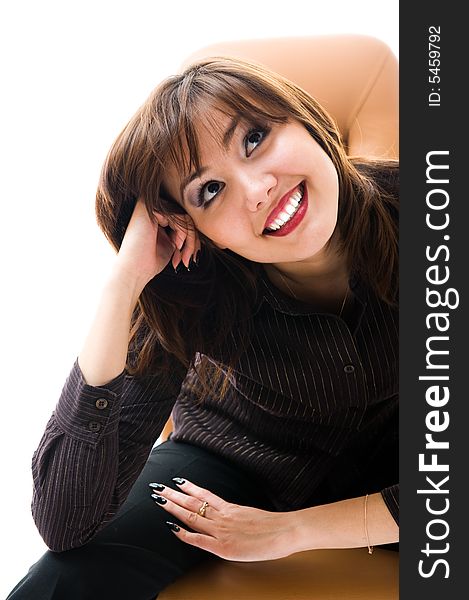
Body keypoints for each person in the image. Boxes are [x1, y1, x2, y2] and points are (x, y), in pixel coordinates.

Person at [7, 55, 399, 599]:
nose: (257, 188)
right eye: (209, 191)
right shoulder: (196, 286)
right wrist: (123, 286)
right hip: (232, 458)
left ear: (304, 118)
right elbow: (65, 522)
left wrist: (293, 531)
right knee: (68, 576)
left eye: (255, 138)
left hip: (400, 462)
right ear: (198, 230)